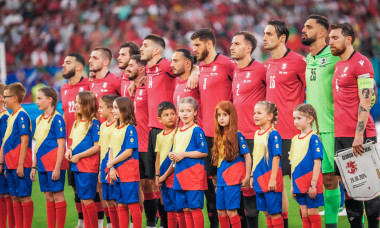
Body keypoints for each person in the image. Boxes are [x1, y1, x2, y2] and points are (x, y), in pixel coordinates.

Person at [329, 23, 380, 228]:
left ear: (348, 39)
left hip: (359, 135)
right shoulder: (339, 65)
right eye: (330, 38)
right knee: (349, 187)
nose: (330, 42)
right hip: (340, 134)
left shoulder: (361, 63)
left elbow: (365, 101)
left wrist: (359, 135)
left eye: (334, 38)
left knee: (368, 186)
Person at [190, 28, 236, 228]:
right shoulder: (200, 67)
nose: (194, 49)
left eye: (197, 45)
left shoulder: (228, 65)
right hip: (207, 134)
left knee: (230, 182)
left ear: (209, 44)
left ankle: (237, 221)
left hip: (226, 134)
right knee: (213, 183)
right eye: (193, 46)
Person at [263, 20, 306, 226]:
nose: (264, 37)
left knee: (301, 189)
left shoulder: (298, 62)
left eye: (269, 34)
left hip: (293, 134)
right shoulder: (268, 63)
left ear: (282, 38)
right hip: (272, 134)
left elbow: (311, 91)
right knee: (275, 186)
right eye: (264, 33)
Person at [301, 15, 341, 227]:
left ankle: (362, 220)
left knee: (348, 180)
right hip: (314, 131)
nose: (304, 30)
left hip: (336, 128)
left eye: (309, 27)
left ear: (322, 33)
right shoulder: (307, 59)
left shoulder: (336, 56)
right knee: (327, 179)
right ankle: (332, 224)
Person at [139, 34, 176, 227]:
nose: (141, 48)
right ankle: (163, 222)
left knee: (168, 180)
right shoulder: (149, 68)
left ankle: (172, 222)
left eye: (144, 45)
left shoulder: (167, 65)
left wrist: (194, 72)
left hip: (167, 130)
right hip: (153, 129)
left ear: (156, 50)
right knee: (156, 181)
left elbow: (188, 66)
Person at [230, 31, 266, 228]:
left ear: (248, 48)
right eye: (232, 43)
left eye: (236, 44)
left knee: (251, 187)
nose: (231, 47)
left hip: (254, 137)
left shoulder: (262, 70)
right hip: (235, 137)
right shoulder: (234, 70)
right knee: (238, 188)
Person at [60, 53, 90, 228]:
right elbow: (66, 114)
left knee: (92, 187)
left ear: (78, 67)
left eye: (68, 62)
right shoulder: (63, 88)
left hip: (87, 143)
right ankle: (81, 221)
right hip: (71, 145)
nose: (63, 65)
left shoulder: (88, 85)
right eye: (64, 62)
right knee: (75, 186)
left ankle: (100, 222)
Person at [31, 87, 67, 228]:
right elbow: (38, 144)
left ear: (50, 100)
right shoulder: (39, 119)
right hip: (42, 165)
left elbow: (61, 145)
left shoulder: (57, 119)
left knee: (57, 196)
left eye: (39, 98)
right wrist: (34, 165)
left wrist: (57, 168)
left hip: (54, 165)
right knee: (48, 197)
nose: (36, 101)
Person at [169, 97, 208, 228]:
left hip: (193, 176)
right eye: (182, 111)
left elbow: (203, 151)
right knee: (185, 208)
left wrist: (183, 154)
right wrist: (173, 155)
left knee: (194, 208)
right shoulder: (178, 131)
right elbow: (177, 152)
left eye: (188, 111)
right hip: (180, 176)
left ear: (195, 112)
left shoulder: (197, 130)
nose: (184, 114)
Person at [212, 101, 251, 228]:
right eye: (219, 115)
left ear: (232, 116)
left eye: (225, 115)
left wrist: (247, 176)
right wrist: (217, 182)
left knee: (231, 211)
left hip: (233, 180)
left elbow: (247, 156)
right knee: (220, 212)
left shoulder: (237, 135)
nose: (221, 118)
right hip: (221, 181)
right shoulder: (218, 136)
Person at [65, 91, 101, 228]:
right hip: (77, 167)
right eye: (75, 102)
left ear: (87, 104)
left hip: (88, 167)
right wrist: (69, 150)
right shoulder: (76, 123)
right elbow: (73, 143)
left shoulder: (94, 123)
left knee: (87, 199)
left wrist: (79, 156)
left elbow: (97, 147)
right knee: (83, 199)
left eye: (78, 102)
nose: (75, 105)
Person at [0, 83, 34, 228]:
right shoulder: (13, 116)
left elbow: (25, 140)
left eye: (6, 97)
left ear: (14, 98)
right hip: (10, 164)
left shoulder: (21, 115)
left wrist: (20, 164)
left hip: (21, 165)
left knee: (24, 197)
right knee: (15, 197)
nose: (4, 100)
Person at [107, 97, 142, 228]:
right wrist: (111, 168)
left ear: (125, 110)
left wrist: (111, 163)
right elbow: (111, 149)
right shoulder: (115, 128)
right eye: (112, 107)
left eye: (116, 108)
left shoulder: (130, 128)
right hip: (117, 171)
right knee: (120, 204)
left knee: (132, 204)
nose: (113, 110)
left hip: (128, 172)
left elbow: (128, 151)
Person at [250, 101, 283, 228]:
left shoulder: (273, 134)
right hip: (259, 178)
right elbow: (256, 155)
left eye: (259, 113)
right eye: (254, 113)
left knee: (274, 213)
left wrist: (273, 179)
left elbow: (276, 157)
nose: (255, 116)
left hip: (270, 179)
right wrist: (253, 175)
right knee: (266, 212)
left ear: (270, 116)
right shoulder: (256, 133)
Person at [290, 104, 324, 228]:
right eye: (294, 118)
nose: (295, 121)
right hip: (299, 184)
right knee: (304, 214)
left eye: (299, 118)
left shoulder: (314, 138)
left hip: (311, 185)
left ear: (309, 119)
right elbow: (293, 163)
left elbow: (317, 163)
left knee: (312, 214)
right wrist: (293, 185)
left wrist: (313, 185)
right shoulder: (294, 139)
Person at [155, 101, 181, 228]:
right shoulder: (159, 136)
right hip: (163, 178)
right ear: (159, 119)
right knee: (169, 208)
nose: (170, 117)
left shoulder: (178, 133)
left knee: (179, 208)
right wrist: (157, 176)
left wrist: (164, 176)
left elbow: (175, 160)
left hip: (173, 177)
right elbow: (158, 157)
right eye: (166, 115)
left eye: (172, 113)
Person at [98, 94, 118, 228]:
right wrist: (101, 168)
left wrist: (113, 167)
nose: (98, 110)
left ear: (111, 109)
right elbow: (101, 148)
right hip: (104, 167)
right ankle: (112, 224)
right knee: (108, 199)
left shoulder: (119, 125)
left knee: (117, 200)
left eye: (101, 107)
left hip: (114, 167)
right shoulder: (103, 125)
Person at [171, 49, 202, 127]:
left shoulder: (198, 80)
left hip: (195, 135)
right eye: (172, 61)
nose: (171, 64)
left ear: (188, 63)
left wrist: (195, 72)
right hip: (180, 134)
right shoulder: (176, 82)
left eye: (175, 61)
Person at [89, 47, 121, 122]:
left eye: (95, 58)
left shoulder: (115, 80)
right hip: (95, 130)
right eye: (90, 58)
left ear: (105, 62)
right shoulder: (92, 81)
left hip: (110, 130)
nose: (90, 61)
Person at [0, 83, 14, 228]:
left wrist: (2, 163)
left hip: (2, 162)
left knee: (6, 195)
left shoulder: (5, 118)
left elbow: (5, 143)